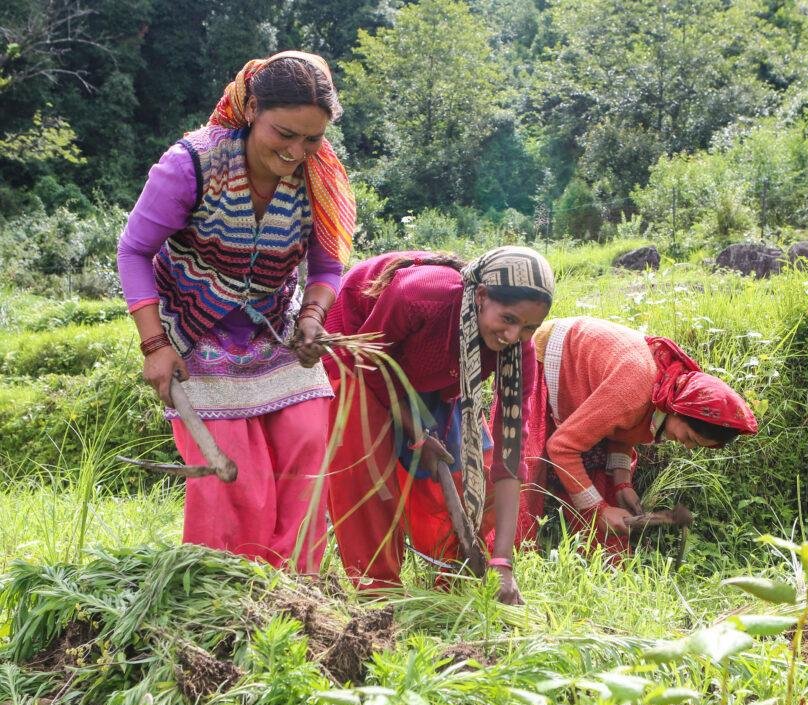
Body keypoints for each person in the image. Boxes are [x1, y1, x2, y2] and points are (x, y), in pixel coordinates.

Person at [116, 51, 356, 573]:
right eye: (283, 134)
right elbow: (133, 251)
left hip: (275, 331)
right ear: (251, 113)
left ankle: (292, 595)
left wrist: (312, 317)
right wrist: (154, 346)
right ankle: (223, 597)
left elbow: (328, 266)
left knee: (309, 443)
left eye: (312, 138)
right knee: (235, 476)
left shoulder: (317, 177)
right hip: (194, 335)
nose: (296, 151)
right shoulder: (192, 164)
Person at [321, 247, 554, 604]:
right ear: (480, 297)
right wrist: (418, 435)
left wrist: (503, 561)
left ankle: (452, 581)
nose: (513, 335)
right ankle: (380, 596)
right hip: (358, 356)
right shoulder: (421, 295)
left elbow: (512, 452)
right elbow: (371, 364)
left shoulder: (517, 350)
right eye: (508, 319)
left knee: (473, 475)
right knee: (369, 478)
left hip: (438, 376)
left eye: (528, 328)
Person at [518, 316, 758, 554]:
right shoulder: (635, 393)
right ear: (680, 410)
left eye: (696, 446)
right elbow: (562, 447)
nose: (687, 447)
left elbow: (622, 431)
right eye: (690, 438)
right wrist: (597, 510)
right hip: (550, 356)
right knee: (525, 470)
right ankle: (508, 561)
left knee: (606, 487)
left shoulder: (666, 390)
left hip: (600, 377)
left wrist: (622, 482)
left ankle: (598, 563)